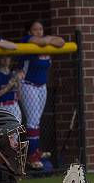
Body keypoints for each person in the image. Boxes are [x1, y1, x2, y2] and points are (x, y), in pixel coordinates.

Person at [18, 21, 65, 170]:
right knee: (32, 121)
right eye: (35, 30)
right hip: (28, 85)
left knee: (36, 121)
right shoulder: (28, 41)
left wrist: (48, 39)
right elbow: (38, 41)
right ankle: (32, 155)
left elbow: (61, 41)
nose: (38, 32)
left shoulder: (45, 42)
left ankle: (34, 151)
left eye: (40, 29)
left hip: (42, 86)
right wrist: (47, 40)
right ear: (29, 32)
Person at [0, 56, 24, 124]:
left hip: (15, 106)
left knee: (15, 134)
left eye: (8, 57)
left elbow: (20, 97)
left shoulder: (13, 74)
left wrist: (18, 83)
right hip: (1, 106)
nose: (6, 59)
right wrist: (8, 86)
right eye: (3, 57)